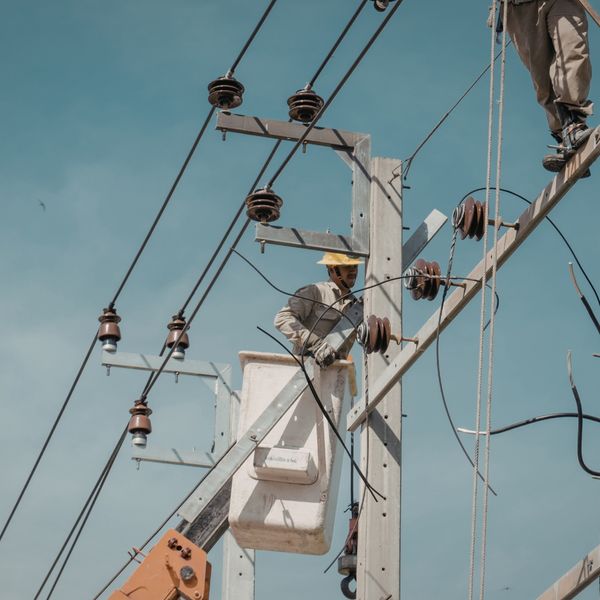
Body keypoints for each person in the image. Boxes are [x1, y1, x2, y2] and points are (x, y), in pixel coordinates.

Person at [501, 0, 594, 171]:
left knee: (572, 49)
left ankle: (572, 123)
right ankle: (563, 135)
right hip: (520, 8)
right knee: (541, 78)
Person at [274, 252, 362, 368]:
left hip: (335, 376)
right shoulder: (315, 292)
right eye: (347, 266)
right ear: (332, 268)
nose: (353, 271)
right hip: (304, 371)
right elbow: (283, 319)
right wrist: (315, 343)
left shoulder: (357, 307)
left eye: (355, 266)